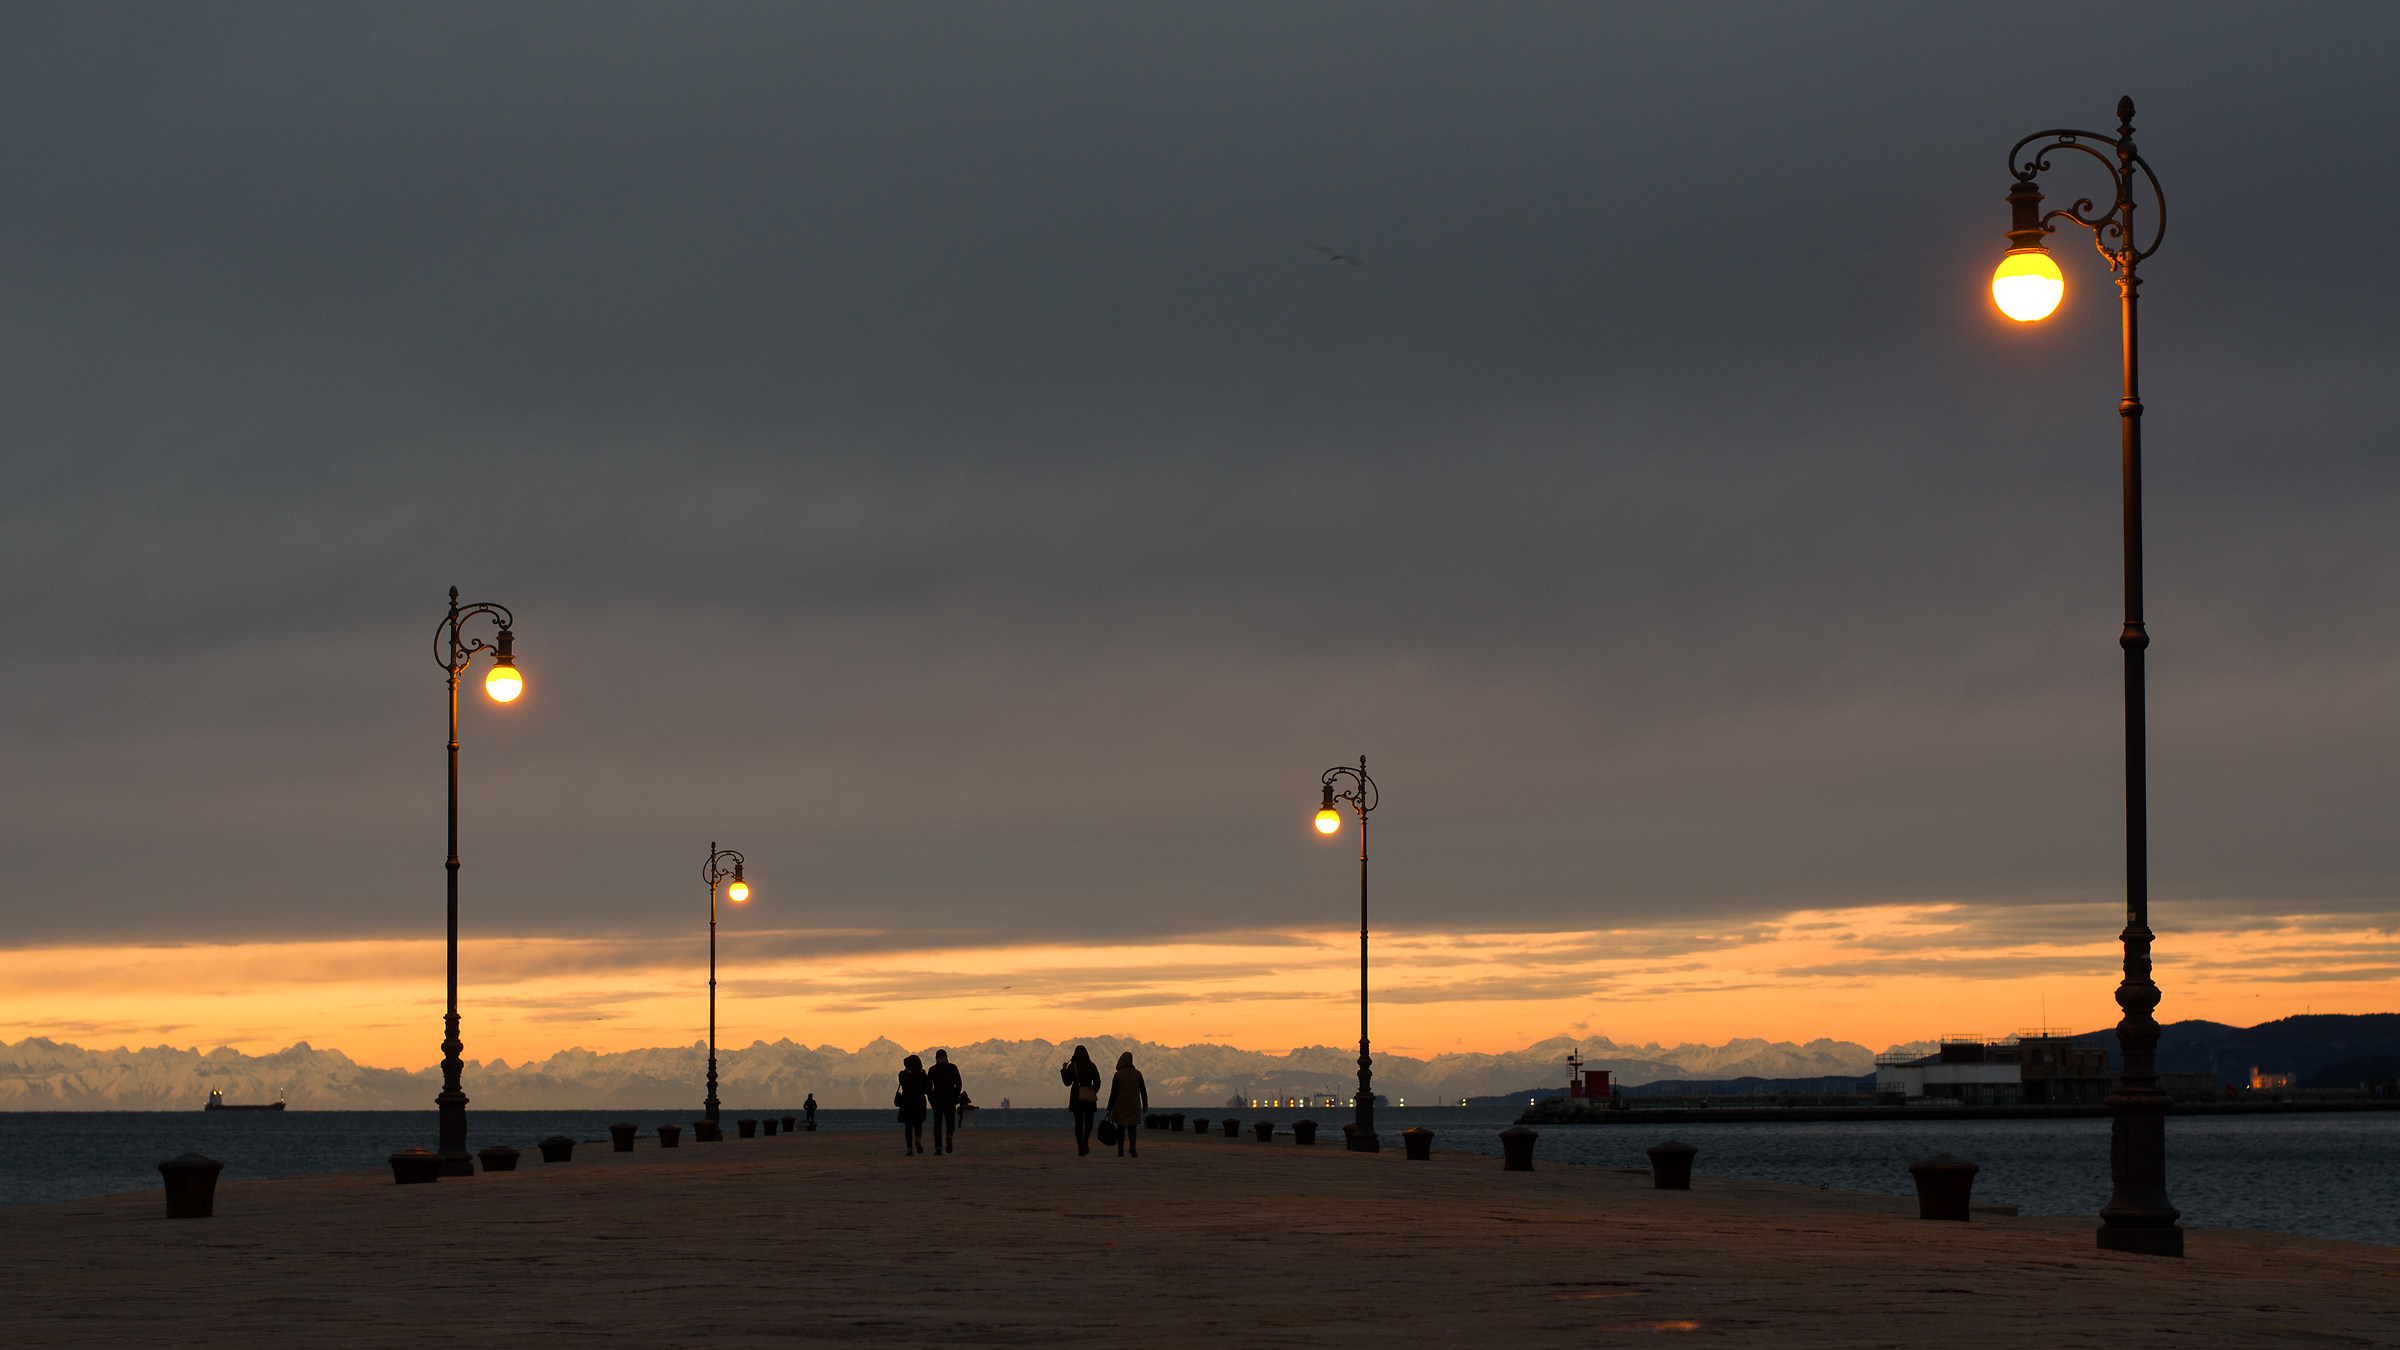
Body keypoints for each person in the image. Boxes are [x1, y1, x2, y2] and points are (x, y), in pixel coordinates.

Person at [1060, 1045, 1102, 1155]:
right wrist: (1093, 1092)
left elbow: (1067, 1083)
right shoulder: (1092, 1065)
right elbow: (1097, 1082)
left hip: (1076, 1096)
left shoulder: (1072, 1066)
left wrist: (1064, 1069)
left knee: (1078, 1123)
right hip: (1089, 1096)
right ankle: (1086, 1138)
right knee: (1089, 1121)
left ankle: (1080, 1149)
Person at [1106, 1050, 1148, 1158]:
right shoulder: (1137, 1074)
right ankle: (1133, 1149)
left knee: (1121, 1129)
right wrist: (1145, 1105)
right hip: (1134, 1105)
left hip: (1120, 1105)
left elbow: (1113, 1093)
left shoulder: (1118, 1075)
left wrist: (1109, 1108)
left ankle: (1120, 1151)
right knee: (1132, 1128)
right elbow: (1143, 1090)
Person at [928, 1049, 964, 1154]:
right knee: (950, 1122)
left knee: (937, 1125)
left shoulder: (932, 1069)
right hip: (950, 1099)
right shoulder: (952, 1068)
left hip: (937, 1100)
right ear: (946, 1057)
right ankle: (949, 1135)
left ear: (936, 1058)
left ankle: (938, 1148)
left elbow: (928, 1087)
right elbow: (959, 1084)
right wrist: (956, 1095)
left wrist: (931, 1099)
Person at [896, 1054, 931, 1155]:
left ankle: (909, 1149)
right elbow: (926, 1089)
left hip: (906, 1102)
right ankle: (918, 1138)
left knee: (908, 1126)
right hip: (919, 1101)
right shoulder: (923, 1075)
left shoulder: (903, 1075)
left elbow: (902, 1083)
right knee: (918, 1124)